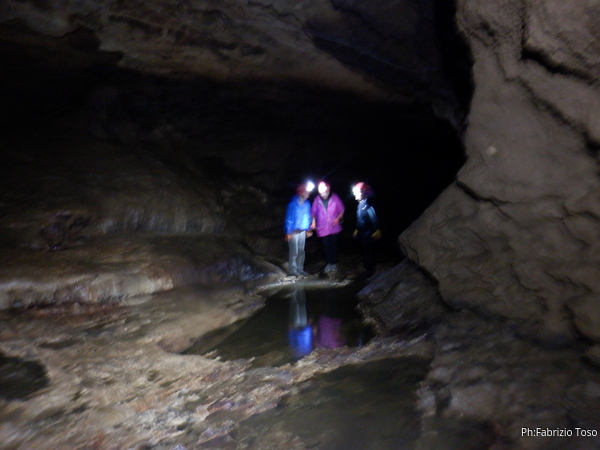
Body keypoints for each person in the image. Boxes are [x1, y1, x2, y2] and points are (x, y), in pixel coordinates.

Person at [310, 181, 345, 274]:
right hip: (323, 227)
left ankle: (334, 263)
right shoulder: (317, 200)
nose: (322, 194)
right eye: (321, 192)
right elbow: (313, 213)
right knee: (326, 246)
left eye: (324, 192)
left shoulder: (335, 198)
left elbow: (342, 209)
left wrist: (338, 219)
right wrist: (313, 222)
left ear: (328, 191)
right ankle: (329, 263)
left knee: (334, 245)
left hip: (334, 226)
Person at [353, 182, 382, 279]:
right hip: (363, 232)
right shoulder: (360, 205)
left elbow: (374, 218)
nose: (355, 194)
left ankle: (371, 271)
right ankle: (367, 269)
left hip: (369, 232)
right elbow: (360, 219)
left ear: (363, 193)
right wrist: (356, 230)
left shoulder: (368, 205)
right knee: (365, 251)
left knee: (369, 251)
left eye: (357, 192)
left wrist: (377, 230)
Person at [284, 183, 313, 277]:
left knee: (301, 250)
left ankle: (300, 269)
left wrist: (308, 229)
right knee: (294, 251)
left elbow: (308, 217)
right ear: (301, 192)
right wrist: (288, 232)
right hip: (293, 231)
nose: (308, 193)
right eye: (306, 192)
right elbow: (288, 219)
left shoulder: (307, 204)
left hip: (302, 231)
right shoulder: (292, 204)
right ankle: (293, 270)